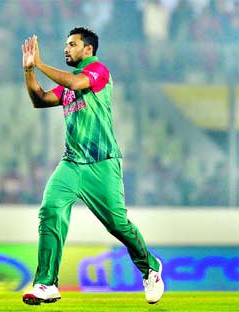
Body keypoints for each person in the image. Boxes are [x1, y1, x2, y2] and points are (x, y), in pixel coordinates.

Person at [20, 28, 164, 305]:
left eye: (72, 44)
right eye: (65, 44)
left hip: (102, 163)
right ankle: (46, 283)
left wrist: (39, 63)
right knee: (50, 210)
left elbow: (76, 84)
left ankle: (151, 269)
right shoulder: (68, 83)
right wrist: (29, 71)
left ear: (88, 49)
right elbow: (39, 100)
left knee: (117, 225)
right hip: (72, 162)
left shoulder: (97, 70)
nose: (66, 49)